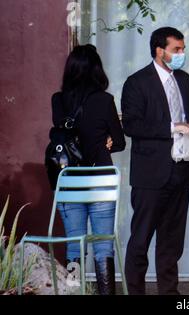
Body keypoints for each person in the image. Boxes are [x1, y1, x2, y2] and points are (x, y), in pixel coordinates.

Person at [121, 27, 189, 295]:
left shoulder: (185, 80)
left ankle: (170, 293)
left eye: (183, 49)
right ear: (160, 51)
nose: (182, 54)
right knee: (141, 239)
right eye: (176, 49)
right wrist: (172, 127)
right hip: (151, 175)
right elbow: (131, 125)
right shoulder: (137, 82)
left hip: (181, 170)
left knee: (172, 242)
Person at [52, 44, 126, 295]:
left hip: (70, 181)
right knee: (104, 245)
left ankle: (74, 292)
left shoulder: (58, 100)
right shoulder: (105, 101)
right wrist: (106, 141)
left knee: (74, 245)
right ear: (97, 70)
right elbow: (120, 141)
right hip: (100, 180)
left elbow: (63, 136)